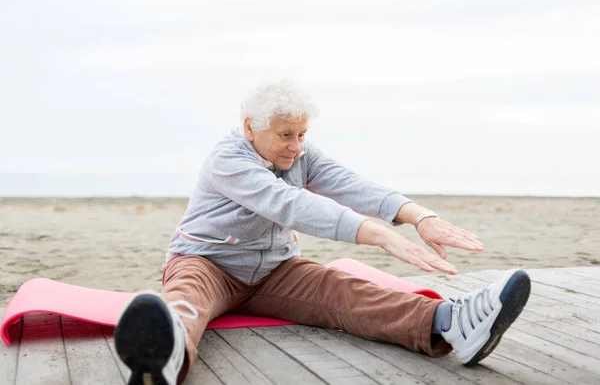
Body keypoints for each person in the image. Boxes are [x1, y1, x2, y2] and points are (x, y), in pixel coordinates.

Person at [114, 79, 531, 385]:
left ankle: (450, 322)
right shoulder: (227, 160)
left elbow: (345, 182)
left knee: (343, 290)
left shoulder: (299, 151)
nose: (296, 146)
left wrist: (418, 215)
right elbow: (290, 204)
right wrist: (379, 235)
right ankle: (162, 357)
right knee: (187, 300)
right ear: (249, 128)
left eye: (302, 135)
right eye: (285, 135)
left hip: (273, 270)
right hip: (206, 262)